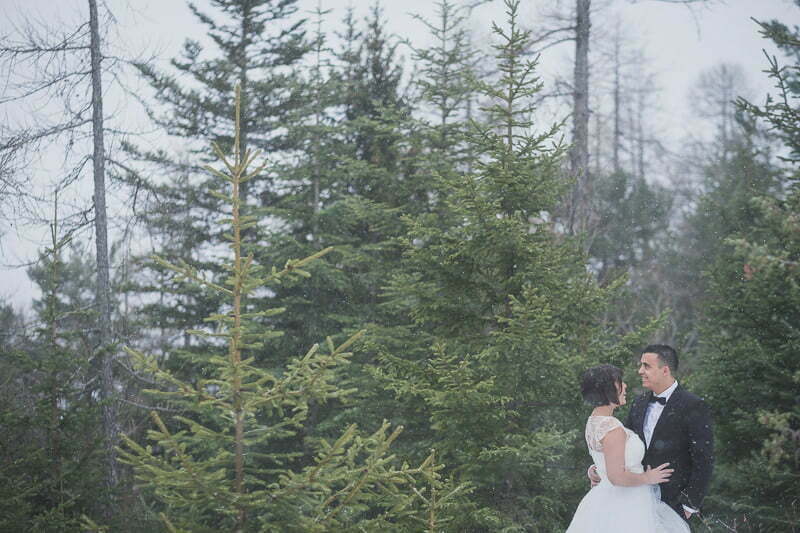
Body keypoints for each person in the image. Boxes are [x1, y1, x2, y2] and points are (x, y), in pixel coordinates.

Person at [591, 345, 714, 521]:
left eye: (646, 366)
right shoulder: (639, 403)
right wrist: (598, 468)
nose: (640, 371)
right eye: (641, 365)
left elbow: (704, 459)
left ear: (665, 370)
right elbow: (621, 448)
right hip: (634, 499)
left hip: (673, 504)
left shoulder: (693, 405)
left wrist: (689, 505)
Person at [566, 364, 690, 532]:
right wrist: (648, 477)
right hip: (626, 501)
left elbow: (606, 460)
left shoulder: (594, 420)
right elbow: (617, 477)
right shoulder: (612, 428)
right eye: (620, 383)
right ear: (607, 389)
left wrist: (596, 471)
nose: (625, 386)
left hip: (608, 498)